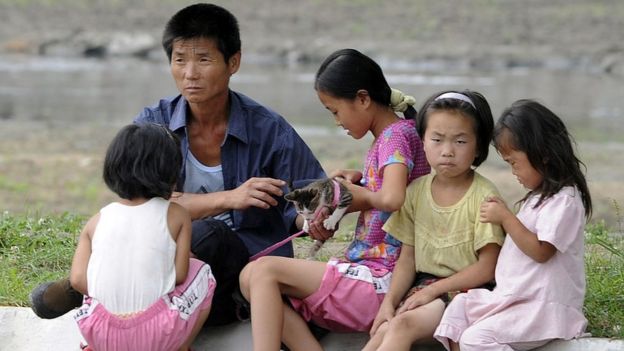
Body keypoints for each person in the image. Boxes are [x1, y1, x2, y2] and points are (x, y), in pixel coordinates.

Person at [30, 3, 327, 327]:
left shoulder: (269, 130)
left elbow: (306, 201)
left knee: (209, 234)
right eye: (179, 59)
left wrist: (315, 218)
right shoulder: (152, 125)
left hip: (243, 275)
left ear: (233, 62)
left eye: (203, 59)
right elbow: (138, 206)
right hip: (164, 272)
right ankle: (88, 287)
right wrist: (229, 198)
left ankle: (87, 289)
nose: (189, 73)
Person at [239, 48, 430, 351]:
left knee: (262, 271)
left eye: (335, 111)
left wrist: (353, 195)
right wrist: (360, 180)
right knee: (251, 276)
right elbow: (395, 190)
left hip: (382, 278)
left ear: (363, 99)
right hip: (371, 274)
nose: (337, 122)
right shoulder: (397, 134)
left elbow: (393, 198)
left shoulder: (396, 137)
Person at [434, 100, 593, 351]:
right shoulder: (537, 199)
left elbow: (541, 251)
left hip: (542, 307)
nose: (513, 172)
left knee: (476, 339)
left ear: (543, 155)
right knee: (457, 312)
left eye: (514, 163)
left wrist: (507, 218)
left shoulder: (565, 201)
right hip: (514, 299)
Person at [363, 90, 505, 351]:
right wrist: (388, 303)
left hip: (467, 293)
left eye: (460, 142)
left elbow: (487, 268)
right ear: (423, 142)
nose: (447, 151)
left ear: (478, 147)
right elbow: (408, 258)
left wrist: (433, 291)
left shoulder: (484, 195)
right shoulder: (416, 191)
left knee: (401, 326)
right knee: (385, 326)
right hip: (425, 288)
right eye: (437, 139)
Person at [70, 123, 215, 351]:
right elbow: (179, 274)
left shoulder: (97, 220)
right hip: (158, 334)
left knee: (95, 289)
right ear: (170, 170)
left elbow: (78, 280)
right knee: (203, 273)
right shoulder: (176, 214)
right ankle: (181, 347)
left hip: (100, 333)